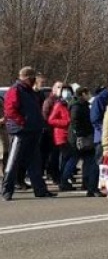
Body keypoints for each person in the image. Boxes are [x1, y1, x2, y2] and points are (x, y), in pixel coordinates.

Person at [1, 67, 55, 200]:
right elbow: (10, 110)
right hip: (20, 131)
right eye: (32, 77)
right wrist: (22, 122)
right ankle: (7, 190)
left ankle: (40, 190)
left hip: (32, 130)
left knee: (35, 162)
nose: (34, 80)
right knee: (13, 162)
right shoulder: (15, 90)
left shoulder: (29, 91)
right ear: (27, 77)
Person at [66, 87, 101, 196]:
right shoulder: (77, 106)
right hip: (79, 137)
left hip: (84, 136)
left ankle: (86, 182)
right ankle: (64, 181)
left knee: (88, 160)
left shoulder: (83, 104)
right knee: (74, 159)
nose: (89, 95)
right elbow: (75, 121)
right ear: (83, 94)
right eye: (88, 93)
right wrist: (80, 134)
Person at [47, 85, 77, 191]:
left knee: (66, 158)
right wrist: (66, 123)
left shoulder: (71, 104)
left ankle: (63, 181)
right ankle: (64, 180)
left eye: (68, 91)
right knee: (73, 157)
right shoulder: (59, 105)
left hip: (70, 135)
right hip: (62, 135)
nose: (66, 93)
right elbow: (51, 120)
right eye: (64, 91)